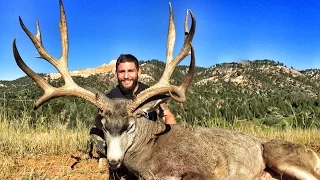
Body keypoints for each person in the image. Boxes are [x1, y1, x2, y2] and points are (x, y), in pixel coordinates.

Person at [89, 54, 176, 179]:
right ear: (116, 74)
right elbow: (99, 121)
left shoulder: (150, 95)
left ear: (139, 72)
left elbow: (168, 116)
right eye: (121, 72)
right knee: (95, 133)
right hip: (120, 141)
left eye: (130, 71)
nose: (126, 76)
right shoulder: (110, 98)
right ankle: (108, 158)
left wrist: (170, 143)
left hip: (148, 143)